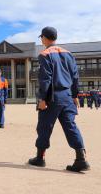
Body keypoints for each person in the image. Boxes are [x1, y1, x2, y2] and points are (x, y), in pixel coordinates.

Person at [28, 26, 90, 172]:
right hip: (67, 96)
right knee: (70, 126)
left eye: (41, 37)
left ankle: (40, 158)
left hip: (52, 97)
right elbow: (75, 76)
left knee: (44, 126)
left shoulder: (45, 54)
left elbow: (45, 79)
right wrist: (75, 95)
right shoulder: (68, 54)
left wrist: (43, 99)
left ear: (44, 37)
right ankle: (81, 158)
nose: (41, 40)